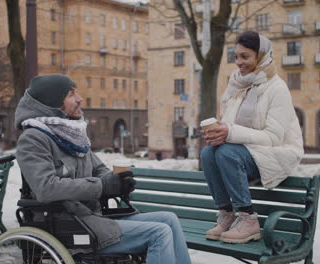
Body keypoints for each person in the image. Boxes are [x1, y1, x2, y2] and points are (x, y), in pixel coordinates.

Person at [14, 74, 191, 264]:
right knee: (159, 233)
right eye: (72, 94)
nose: (80, 98)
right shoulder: (33, 139)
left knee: (169, 219)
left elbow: (99, 169)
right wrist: (101, 186)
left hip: (92, 218)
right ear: (54, 103)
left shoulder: (71, 134)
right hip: (67, 224)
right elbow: (46, 188)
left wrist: (117, 182)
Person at [200, 31, 304, 244]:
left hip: (276, 152)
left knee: (227, 153)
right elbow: (230, 125)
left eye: (245, 57)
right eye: (236, 56)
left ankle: (248, 219)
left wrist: (229, 133)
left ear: (261, 56)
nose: (238, 62)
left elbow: (274, 137)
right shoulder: (237, 84)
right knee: (208, 153)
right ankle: (227, 215)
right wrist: (219, 133)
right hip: (244, 152)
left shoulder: (277, 88)